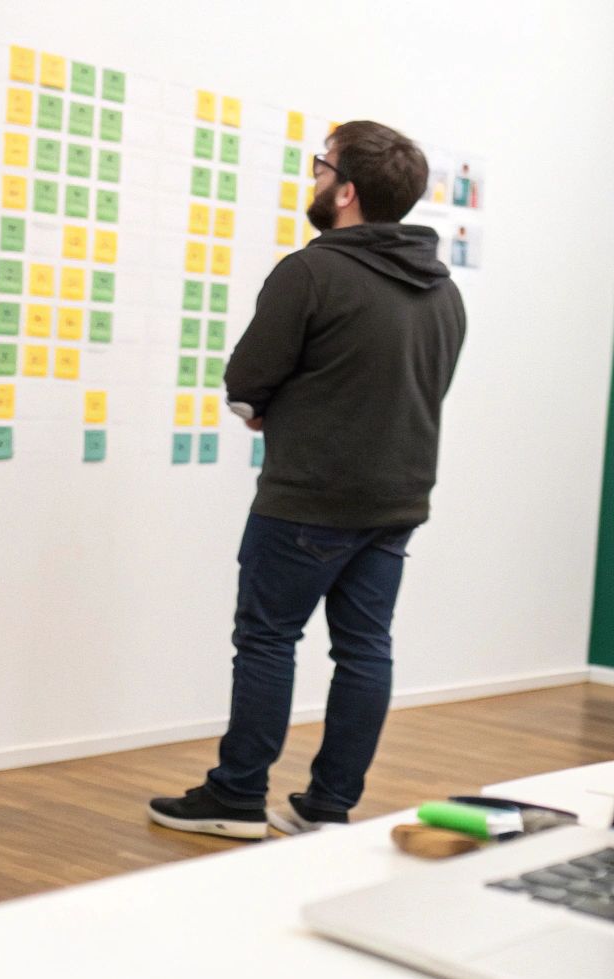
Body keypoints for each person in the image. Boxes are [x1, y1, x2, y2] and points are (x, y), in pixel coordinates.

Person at [148, 121, 468, 840]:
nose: (314, 179)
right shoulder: (445, 293)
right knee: (365, 649)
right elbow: (419, 391)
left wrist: (264, 408)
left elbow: (246, 381)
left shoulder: (311, 272)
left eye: (321, 168)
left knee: (266, 640)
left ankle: (236, 797)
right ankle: (327, 808)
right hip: (398, 500)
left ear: (347, 191)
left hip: (308, 499)